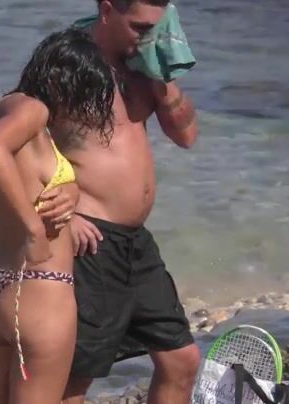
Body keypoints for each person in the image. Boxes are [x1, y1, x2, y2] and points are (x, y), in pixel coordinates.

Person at [39, 1, 202, 403]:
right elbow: (13, 138)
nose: (148, 37)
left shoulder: (143, 69)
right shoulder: (68, 62)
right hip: (89, 241)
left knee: (181, 360)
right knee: (75, 376)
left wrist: (162, 80)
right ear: (107, 9)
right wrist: (60, 215)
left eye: (155, 28)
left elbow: (186, 135)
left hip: (134, 243)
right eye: (139, 27)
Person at [0, 28, 116, 404]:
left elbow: (22, 175)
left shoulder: (1, 110)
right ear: (60, 82)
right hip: (41, 286)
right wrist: (33, 230)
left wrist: (71, 191)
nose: (78, 110)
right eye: (81, 94)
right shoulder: (33, 109)